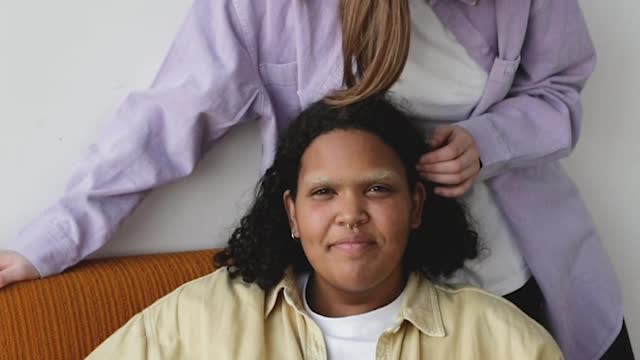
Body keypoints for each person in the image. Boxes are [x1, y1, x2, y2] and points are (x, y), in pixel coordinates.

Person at [0, 0, 633, 358]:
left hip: (516, 279)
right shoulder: (261, 8)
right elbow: (168, 117)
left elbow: (560, 89)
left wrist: (488, 141)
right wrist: (51, 240)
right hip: (369, 290)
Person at [86, 97, 563, 359]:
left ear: (416, 207)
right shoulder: (199, 318)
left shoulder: (502, 341)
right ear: (292, 214)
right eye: (323, 192)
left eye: (377, 189)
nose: (350, 213)